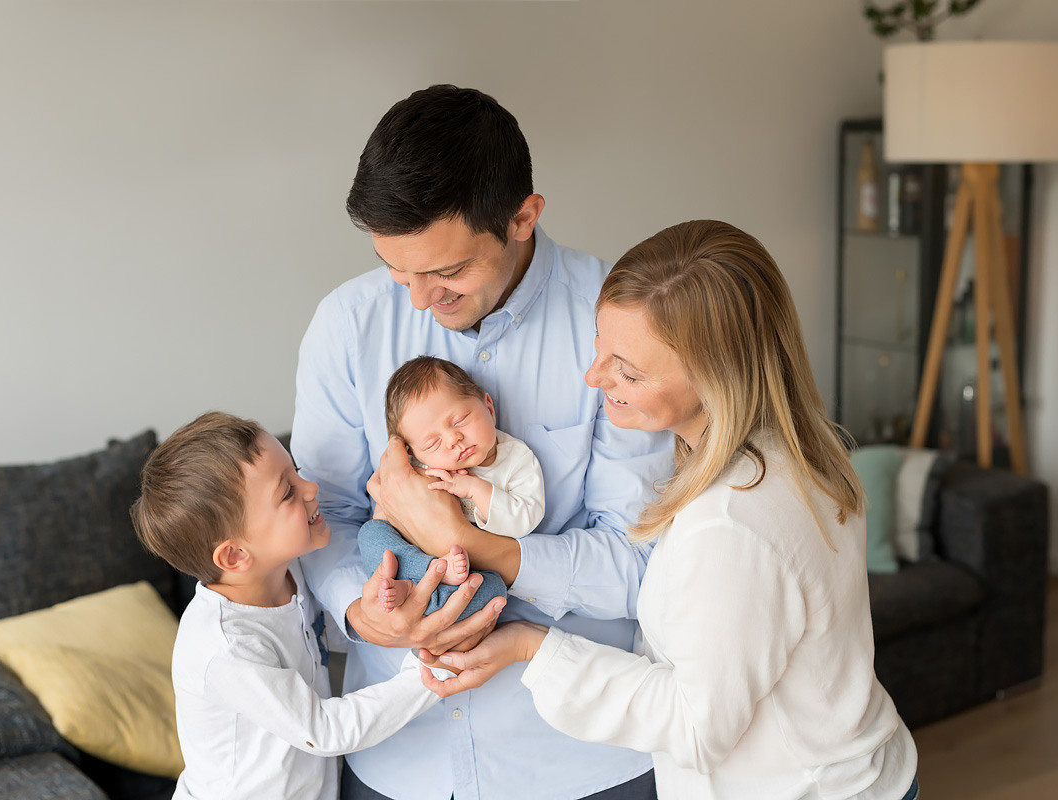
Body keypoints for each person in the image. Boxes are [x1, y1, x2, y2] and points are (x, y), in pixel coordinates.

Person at [420, 220, 921, 800]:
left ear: (717, 377)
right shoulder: (807, 445)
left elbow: (696, 722)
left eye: (628, 371)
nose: (594, 377)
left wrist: (533, 647)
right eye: (600, 348)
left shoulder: (733, 525)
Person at [293, 84, 674, 800]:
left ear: (524, 217)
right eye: (397, 270)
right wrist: (358, 611)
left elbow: (638, 563)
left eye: (447, 273)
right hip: (399, 756)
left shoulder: (615, 324)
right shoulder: (347, 327)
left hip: (580, 755)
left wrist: (488, 548)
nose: (417, 303)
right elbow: (327, 519)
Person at [129, 411, 456, 800]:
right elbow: (325, 731)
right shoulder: (227, 647)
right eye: (287, 492)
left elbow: (327, 635)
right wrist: (430, 672)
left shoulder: (288, 575)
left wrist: (386, 606)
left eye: (296, 471)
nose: (311, 487)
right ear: (234, 557)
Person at [359, 355, 544, 619]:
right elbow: (388, 507)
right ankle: (412, 582)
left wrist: (475, 489)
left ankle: (420, 589)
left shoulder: (516, 460)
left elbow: (525, 519)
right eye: (433, 443)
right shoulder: (417, 469)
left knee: (493, 589)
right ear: (412, 452)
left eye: (459, 420)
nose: (453, 439)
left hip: (468, 575)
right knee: (371, 535)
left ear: (488, 408)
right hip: (409, 567)